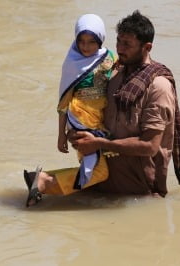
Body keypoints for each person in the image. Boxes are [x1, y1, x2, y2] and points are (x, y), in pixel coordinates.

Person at [25, 10, 180, 206]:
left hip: (139, 192)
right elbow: (88, 109)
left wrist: (99, 144)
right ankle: (42, 181)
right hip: (104, 185)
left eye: (127, 44)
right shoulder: (113, 75)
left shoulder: (158, 88)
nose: (119, 48)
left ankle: (43, 181)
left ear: (147, 47)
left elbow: (150, 146)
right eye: (118, 41)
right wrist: (74, 133)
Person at [24, 14, 116, 207]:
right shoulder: (72, 64)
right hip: (81, 124)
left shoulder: (111, 58)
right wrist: (61, 135)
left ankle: (40, 177)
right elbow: (63, 104)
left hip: (101, 124)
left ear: (101, 40)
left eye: (92, 41)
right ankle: (44, 184)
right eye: (81, 41)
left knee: (93, 168)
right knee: (99, 172)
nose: (85, 46)